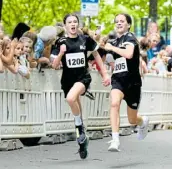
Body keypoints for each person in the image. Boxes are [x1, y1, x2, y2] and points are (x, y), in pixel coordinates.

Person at [52, 14, 110, 159]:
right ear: (65, 25)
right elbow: (54, 65)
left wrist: (105, 74)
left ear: (78, 24)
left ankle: (79, 126)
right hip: (67, 80)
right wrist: (61, 53)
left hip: (82, 78)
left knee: (71, 99)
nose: (73, 24)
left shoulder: (85, 39)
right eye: (70, 22)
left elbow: (96, 55)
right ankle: (82, 143)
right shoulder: (60, 42)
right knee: (75, 103)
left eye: (75, 22)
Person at [104, 13, 149, 152]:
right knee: (114, 103)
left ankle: (142, 122)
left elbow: (129, 54)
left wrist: (111, 48)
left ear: (128, 24)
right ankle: (115, 139)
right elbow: (114, 62)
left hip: (133, 83)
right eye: (116, 21)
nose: (118, 23)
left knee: (132, 120)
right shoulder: (114, 41)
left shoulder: (130, 38)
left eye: (122, 21)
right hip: (118, 80)